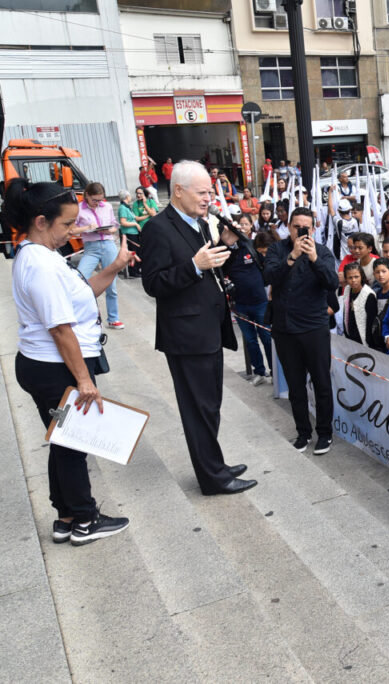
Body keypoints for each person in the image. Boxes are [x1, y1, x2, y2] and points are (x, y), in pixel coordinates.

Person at [7, 179, 136, 543]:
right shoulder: (41, 264)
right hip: (54, 368)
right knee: (74, 444)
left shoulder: (42, 255)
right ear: (41, 221)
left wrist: (115, 267)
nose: (73, 231)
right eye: (66, 224)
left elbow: (81, 295)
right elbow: (61, 329)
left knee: (63, 440)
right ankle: (84, 519)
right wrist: (84, 381)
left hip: (47, 366)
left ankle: (66, 516)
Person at [140, 161, 255, 495]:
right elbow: (153, 283)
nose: (209, 198)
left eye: (209, 192)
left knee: (211, 404)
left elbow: (212, 268)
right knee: (198, 408)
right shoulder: (158, 229)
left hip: (208, 328)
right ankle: (213, 478)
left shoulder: (201, 223)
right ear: (179, 190)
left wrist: (227, 248)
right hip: (186, 336)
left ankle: (213, 463)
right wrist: (194, 266)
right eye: (202, 192)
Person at [263, 206, 339, 455]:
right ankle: (303, 432)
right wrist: (292, 257)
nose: (301, 231)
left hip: (314, 328)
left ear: (314, 229)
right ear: (289, 226)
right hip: (285, 328)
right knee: (295, 385)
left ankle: (325, 433)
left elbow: (331, 281)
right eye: (296, 226)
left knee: (321, 383)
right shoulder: (277, 249)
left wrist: (314, 258)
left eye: (306, 227)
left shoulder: (324, 252)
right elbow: (269, 276)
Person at [219, 217, 272, 385]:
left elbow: (267, 265)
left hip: (260, 302)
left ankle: (274, 372)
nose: (240, 228)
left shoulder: (251, 245)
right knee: (250, 340)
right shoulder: (224, 251)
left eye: (244, 225)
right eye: (238, 225)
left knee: (267, 338)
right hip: (240, 304)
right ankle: (259, 371)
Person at [72, 182, 124, 329]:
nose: (97, 203)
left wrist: (111, 230)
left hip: (108, 245)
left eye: (100, 200)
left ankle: (113, 318)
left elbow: (115, 224)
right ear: (87, 195)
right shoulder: (79, 209)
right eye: (94, 200)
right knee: (80, 279)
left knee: (111, 284)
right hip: (91, 247)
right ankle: (81, 316)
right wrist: (87, 228)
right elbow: (71, 230)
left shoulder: (106, 207)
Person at [338, 262, 383, 351]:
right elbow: (345, 313)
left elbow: (370, 323)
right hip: (350, 338)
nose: (353, 280)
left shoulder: (368, 295)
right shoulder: (347, 289)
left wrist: (368, 344)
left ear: (361, 276)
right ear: (346, 279)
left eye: (356, 277)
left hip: (363, 341)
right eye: (350, 278)